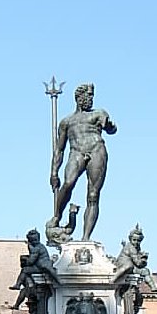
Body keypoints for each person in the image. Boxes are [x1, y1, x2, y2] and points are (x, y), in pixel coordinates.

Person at [50, 83, 117, 241]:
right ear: (79, 98)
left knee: (93, 195)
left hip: (96, 149)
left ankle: (85, 238)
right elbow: (59, 149)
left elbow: (112, 130)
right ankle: (57, 216)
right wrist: (53, 172)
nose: (90, 99)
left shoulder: (99, 113)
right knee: (68, 183)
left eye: (92, 96)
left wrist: (109, 125)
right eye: (88, 96)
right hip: (76, 151)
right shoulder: (67, 121)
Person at [9, 229, 59, 309]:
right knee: (24, 288)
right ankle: (17, 289)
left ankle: (18, 285)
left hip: (41, 267)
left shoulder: (37, 248)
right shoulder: (40, 246)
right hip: (40, 267)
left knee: (24, 270)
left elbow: (31, 261)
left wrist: (26, 259)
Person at [112, 225, 157, 291]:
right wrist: (143, 259)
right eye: (134, 240)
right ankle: (113, 279)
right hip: (123, 266)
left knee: (146, 271)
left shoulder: (137, 247)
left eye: (138, 241)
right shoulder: (131, 247)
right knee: (129, 266)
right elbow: (138, 262)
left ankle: (153, 287)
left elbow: (139, 262)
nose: (136, 242)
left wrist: (143, 259)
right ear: (130, 239)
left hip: (132, 267)